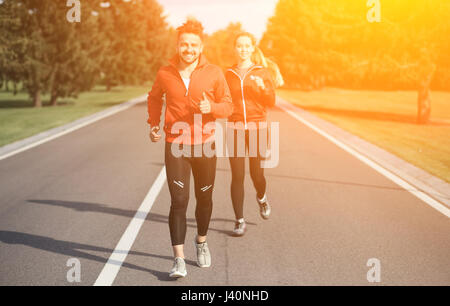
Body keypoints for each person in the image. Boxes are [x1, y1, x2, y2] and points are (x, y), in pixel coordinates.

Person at [147, 19, 233, 278]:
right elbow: (153, 97)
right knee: (179, 201)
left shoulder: (214, 72)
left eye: (194, 44)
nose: (189, 49)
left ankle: (202, 242)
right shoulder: (165, 72)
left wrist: (212, 109)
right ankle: (179, 260)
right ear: (178, 45)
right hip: (176, 145)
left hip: (205, 145)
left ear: (201, 46)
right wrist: (153, 123)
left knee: (204, 198)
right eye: (184, 44)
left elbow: (228, 105)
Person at [225, 32, 279, 236]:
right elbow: (222, 99)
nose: (243, 49)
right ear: (234, 48)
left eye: (247, 45)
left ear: (253, 48)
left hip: (258, 128)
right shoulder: (227, 73)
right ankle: (239, 220)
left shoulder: (262, 72)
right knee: (237, 176)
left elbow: (271, 101)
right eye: (239, 45)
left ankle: (262, 197)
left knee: (257, 174)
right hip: (235, 129)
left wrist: (261, 88)